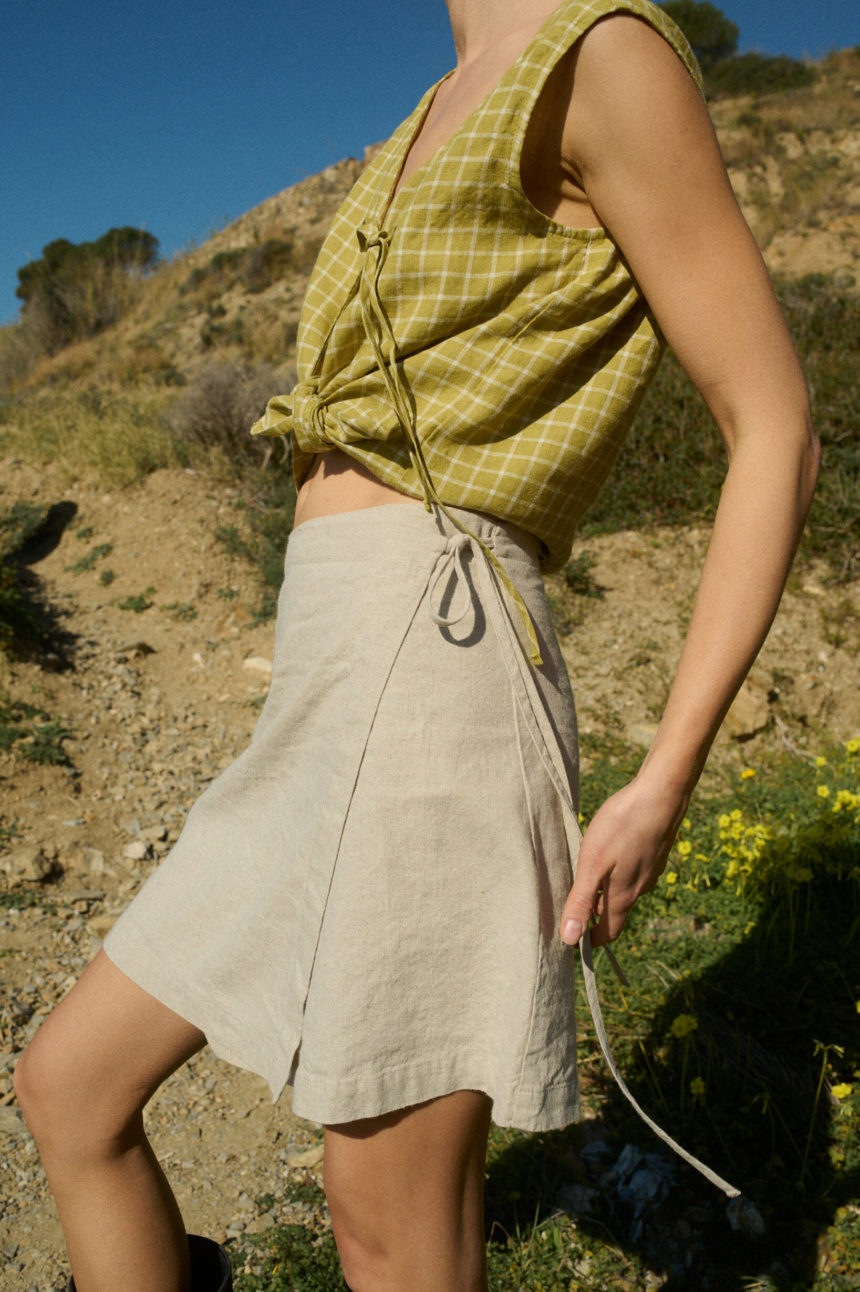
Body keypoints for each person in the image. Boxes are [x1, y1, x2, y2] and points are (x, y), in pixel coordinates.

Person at [14, 0, 819, 1289]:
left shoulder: (602, 51)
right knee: (68, 1090)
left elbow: (773, 421)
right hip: (329, 667)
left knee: (386, 1234)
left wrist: (667, 772)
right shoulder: (419, 118)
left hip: (440, 656)